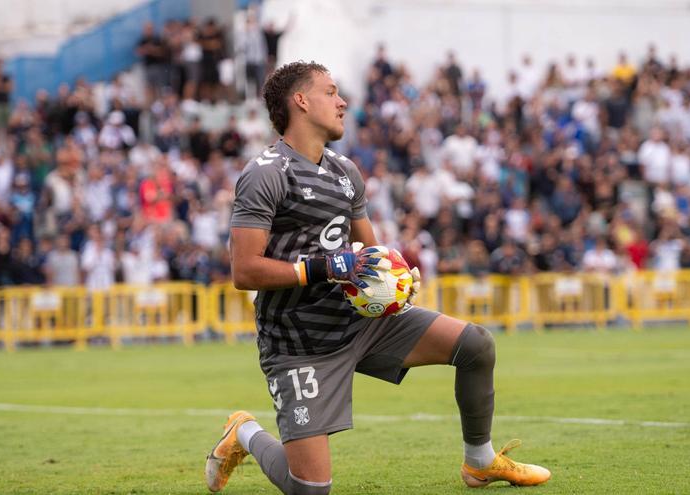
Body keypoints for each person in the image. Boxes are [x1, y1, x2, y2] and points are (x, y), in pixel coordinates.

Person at [204, 61, 550, 494]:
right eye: (331, 92)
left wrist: (395, 279)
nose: (342, 101)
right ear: (301, 101)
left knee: (476, 345)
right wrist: (323, 267)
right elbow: (244, 270)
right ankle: (245, 432)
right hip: (300, 343)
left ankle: (480, 462)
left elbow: (370, 252)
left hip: (358, 321)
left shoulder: (345, 172)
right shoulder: (266, 173)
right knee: (310, 489)